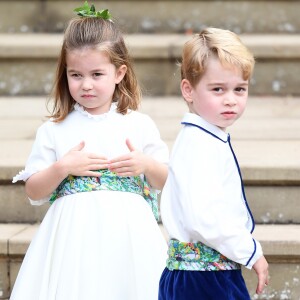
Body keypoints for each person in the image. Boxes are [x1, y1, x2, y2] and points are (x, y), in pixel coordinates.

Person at [10, 2, 168, 300]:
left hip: (128, 238)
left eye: (97, 74)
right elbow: (33, 191)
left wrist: (145, 164)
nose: (86, 85)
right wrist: (62, 168)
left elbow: (170, 182)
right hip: (73, 242)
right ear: (65, 73)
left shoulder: (139, 124)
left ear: (119, 72)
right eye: (76, 75)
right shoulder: (55, 130)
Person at [158, 27, 269, 300]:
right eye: (218, 89)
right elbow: (204, 217)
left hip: (207, 274)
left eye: (239, 89)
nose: (230, 99)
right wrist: (250, 251)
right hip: (204, 280)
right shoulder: (199, 145)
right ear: (189, 90)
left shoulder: (205, 137)